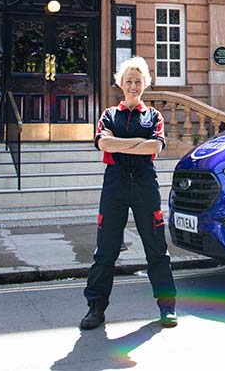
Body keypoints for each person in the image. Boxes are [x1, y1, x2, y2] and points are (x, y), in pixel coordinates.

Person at [80, 56, 177, 329]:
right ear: (121, 84)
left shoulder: (153, 116)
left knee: (156, 248)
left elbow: (155, 147)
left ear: (145, 84)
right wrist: (138, 143)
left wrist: (121, 144)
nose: (133, 86)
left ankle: (167, 307)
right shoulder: (109, 114)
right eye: (129, 81)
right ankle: (95, 308)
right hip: (115, 184)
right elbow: (103, 144)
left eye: (138, 81)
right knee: (106, 250)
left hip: (145, 183)